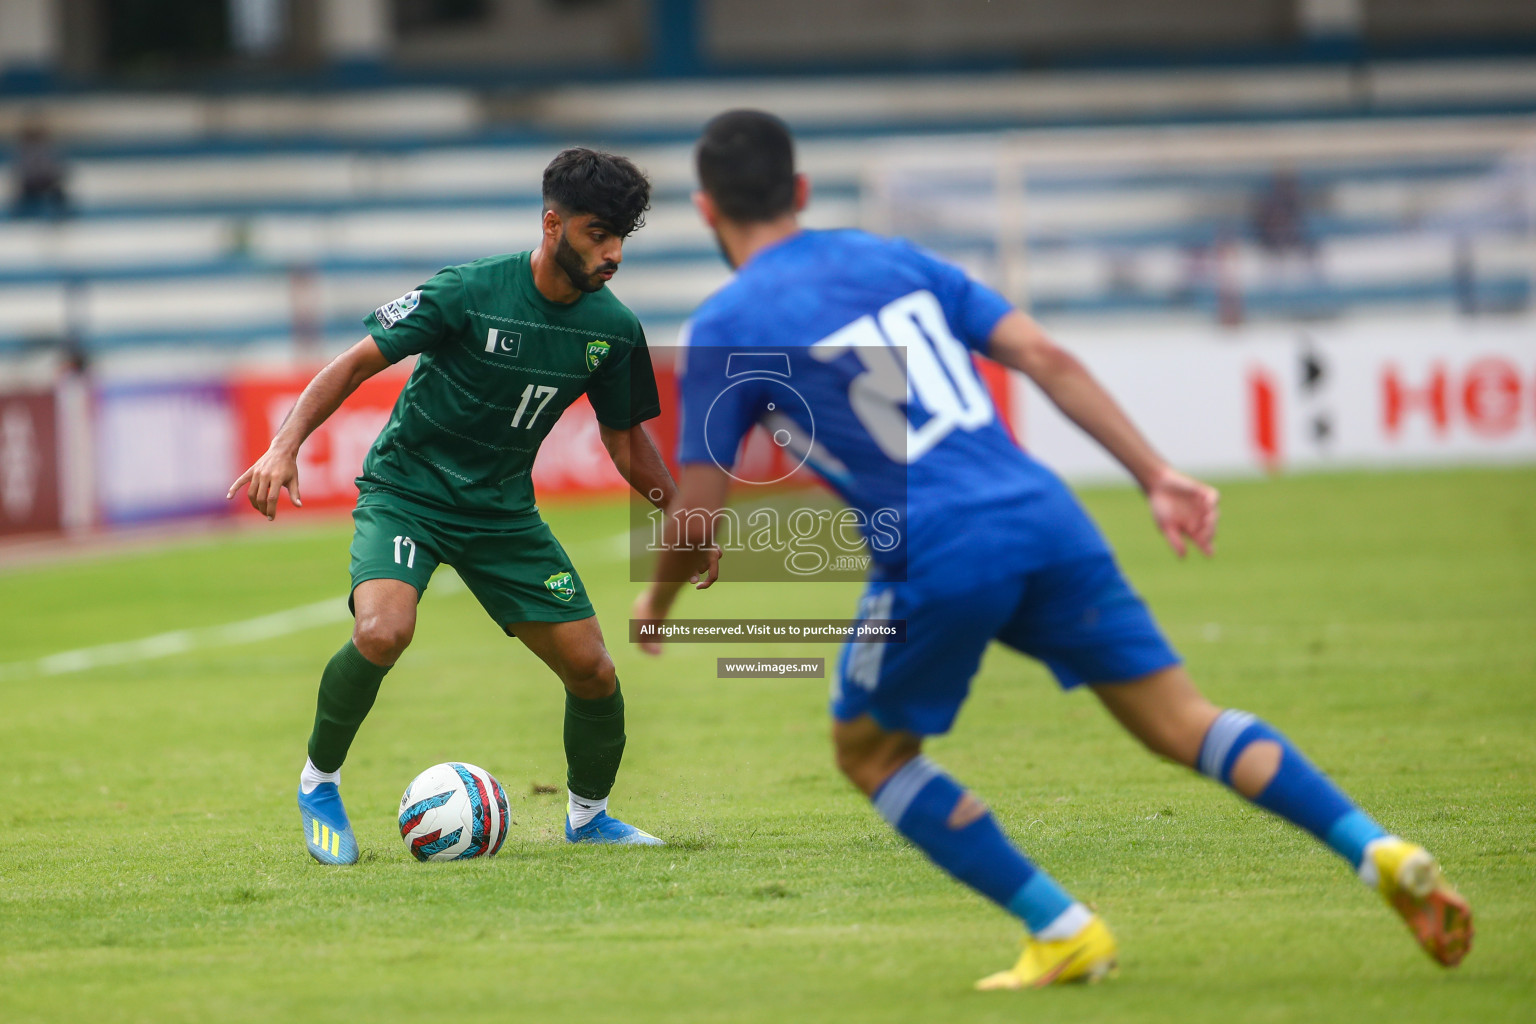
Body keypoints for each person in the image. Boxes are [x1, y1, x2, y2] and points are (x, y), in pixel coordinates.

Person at [635, 110, 1472, 987]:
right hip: (1045, 512)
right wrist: (1156, 473)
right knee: (1183, 719)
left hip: (938, 542)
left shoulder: (727, 321)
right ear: (801, 191)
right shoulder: (895, 259)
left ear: (705, 211)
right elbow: (1043, 353)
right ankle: (1373, 846)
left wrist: (658, 600)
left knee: (870, 753)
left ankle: (1061, 927)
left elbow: (697, 515)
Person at [230, 148, 706, 861]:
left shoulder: (613, 329)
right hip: (409, 494)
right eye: (597, 234)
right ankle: (318, 781)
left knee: (594, 671)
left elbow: (625, 438)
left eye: (620, 239)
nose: (612, 254)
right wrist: (284, 445)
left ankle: (590, 815)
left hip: (502, 516)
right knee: (383, 633)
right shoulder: (469, 291)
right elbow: (356, 362)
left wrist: (679, 512)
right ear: (553, 224)